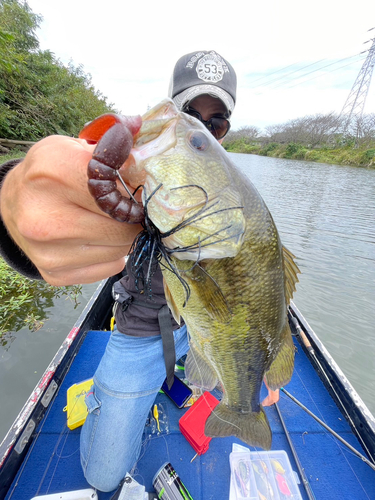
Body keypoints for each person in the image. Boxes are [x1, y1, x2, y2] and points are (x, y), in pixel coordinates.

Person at [0, 50, 237, 492]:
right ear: (173, 113)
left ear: (226, 130)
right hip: (143, 333)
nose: (205, 126)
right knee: (104, 476)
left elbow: (259, 281)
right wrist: (12, 200)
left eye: (217, 120)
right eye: (192, 113)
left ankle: (182, 372)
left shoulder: (239, 196)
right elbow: (66, 183)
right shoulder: (141, 169)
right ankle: (103, 394)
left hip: (202, 331)